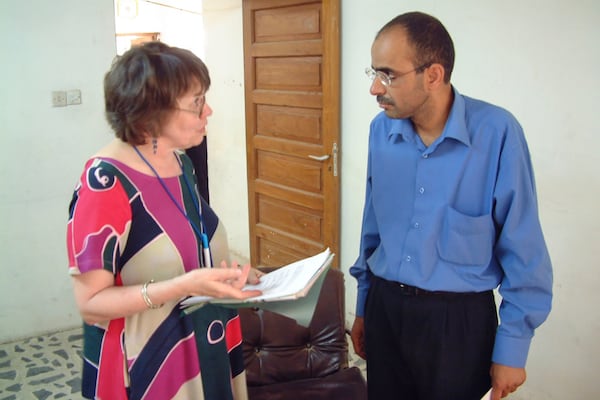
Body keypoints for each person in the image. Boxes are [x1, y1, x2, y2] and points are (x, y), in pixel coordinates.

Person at [349, 11, 553, 400]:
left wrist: (512, 348)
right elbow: (372, 228)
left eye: (389, 74)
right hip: (386, 310)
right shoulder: (381, 131)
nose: (376, 87)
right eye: (373, 72)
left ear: (434, 75)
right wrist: (364, 304)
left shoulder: (497, 133)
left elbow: (524, 250)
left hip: (456, 324)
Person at [66, 41, 264, 400]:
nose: (209, 111)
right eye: (197, 103)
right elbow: (90, 302)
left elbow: (187, 245)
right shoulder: (106, 183)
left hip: (204, 338)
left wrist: (229, 273)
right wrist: (183, 285)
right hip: (147, 356)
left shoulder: (180, 161)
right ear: (150, 114)